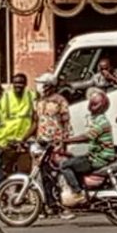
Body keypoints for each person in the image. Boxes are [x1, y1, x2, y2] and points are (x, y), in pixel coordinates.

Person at [59, 89, 115, 206]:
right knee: (74, 159)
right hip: (96, 154)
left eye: (94, 104)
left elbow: (86, 137)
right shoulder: (97, 119)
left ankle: (78, 193)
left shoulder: (101, 122)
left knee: (64, 165)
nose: (91, 106)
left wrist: (66, 141)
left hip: (98, 158)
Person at [33, 73, 72, 213]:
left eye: (43, 84)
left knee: (57, 173)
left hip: (56, 142)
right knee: (42, 173)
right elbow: (36, 121)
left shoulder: (60, 101)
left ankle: (60, 203)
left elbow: (66, 123)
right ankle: (46, 203)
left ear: (50, 85)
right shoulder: (39, 101)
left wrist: (64, 143)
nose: (40, 87)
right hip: (42, 142)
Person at [2, 73, 37, 145]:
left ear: (26, 84)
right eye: (15, 83)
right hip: (8, 139)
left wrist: (26, 137)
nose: (18, 85)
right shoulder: (5, 97)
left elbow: (35, 120)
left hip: (25, 139)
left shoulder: (32, 96)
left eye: (21, 83)